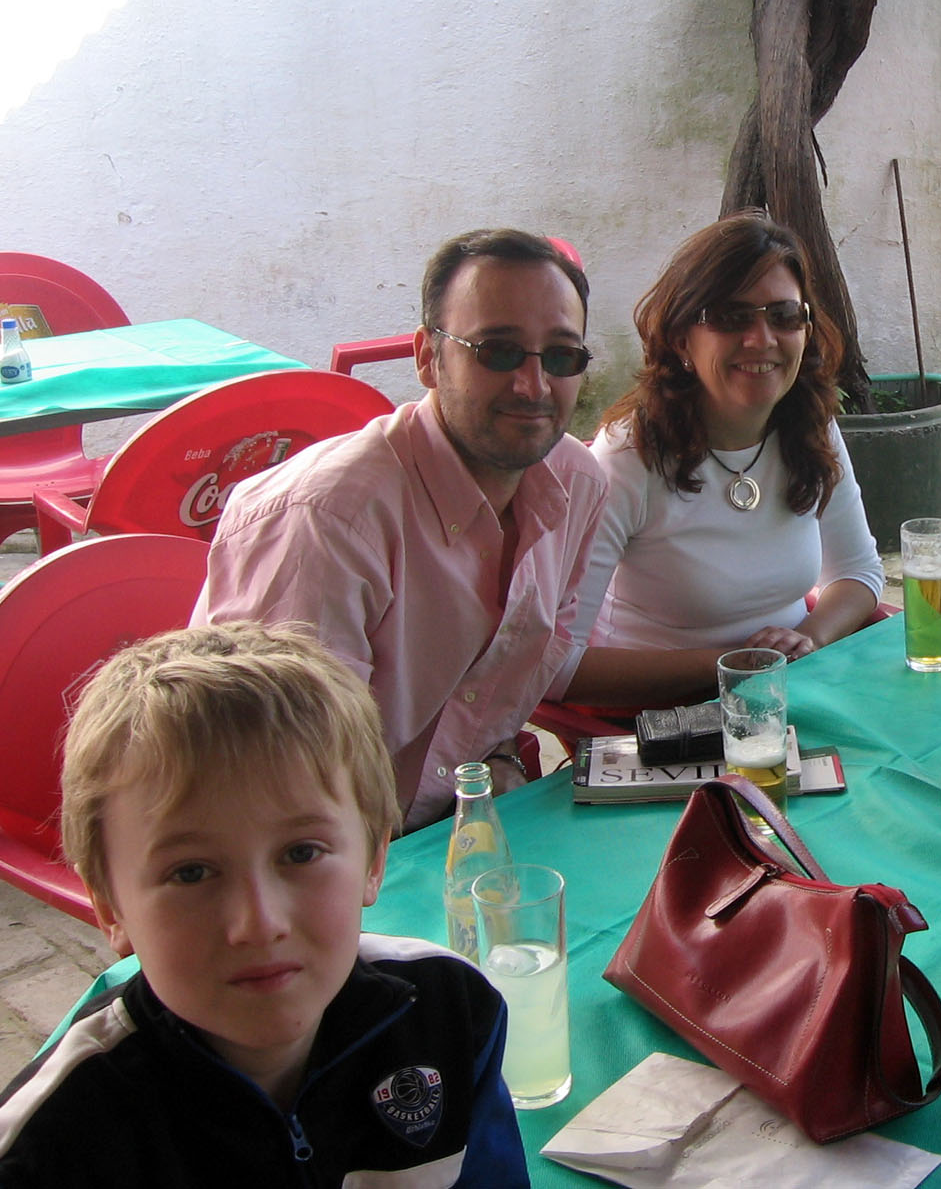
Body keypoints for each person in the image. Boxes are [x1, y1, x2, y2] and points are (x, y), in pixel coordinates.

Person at [0, 623, 529, 1184]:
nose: (259, 923)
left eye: (301, 853)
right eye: (191, 872)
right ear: (110, 906)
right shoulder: (49, 1148)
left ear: (373, 862)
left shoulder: (451, 1013)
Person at [193, 228, 605, 830]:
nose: (533, 385)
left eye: (562, 357)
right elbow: (273, 777)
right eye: (497, 351)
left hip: (457, 823)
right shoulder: (326, 519)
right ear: (427, 358)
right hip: (317, 844)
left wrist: (495, 764)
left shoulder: (576, 483)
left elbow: (514, 679)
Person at [574, 211, 883, 705]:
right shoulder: (627, 458)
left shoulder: (808, 425)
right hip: (663, 716)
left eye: (784, 316)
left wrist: (809, 638)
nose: (761, 339)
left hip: (788, 692)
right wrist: (737, 665)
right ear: (681, 339)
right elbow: (561, 665)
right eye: (731, 317)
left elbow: (858, 572)